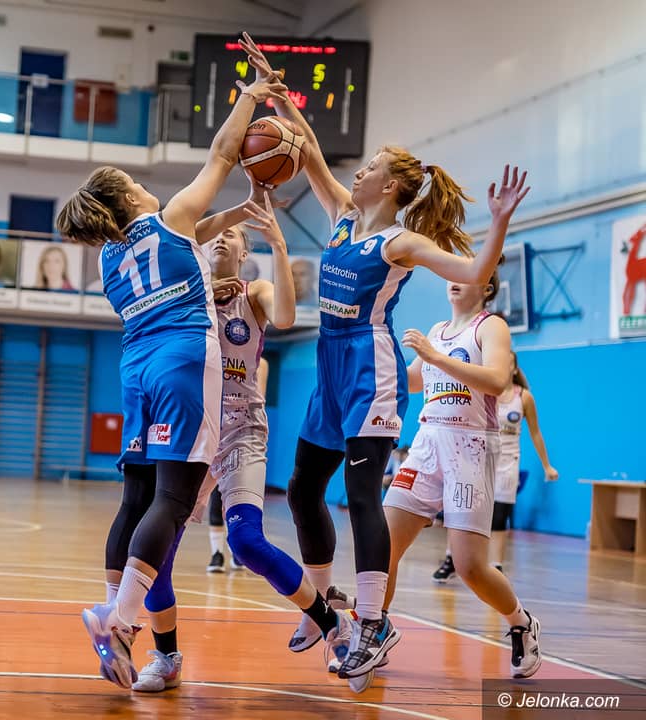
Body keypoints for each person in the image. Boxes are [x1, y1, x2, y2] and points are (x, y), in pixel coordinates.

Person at [237, 33, 530, 686]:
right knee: (303, 487)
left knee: (361, 495)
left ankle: (373, 621)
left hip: (371, 372)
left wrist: (500, 223)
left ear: (391, 185)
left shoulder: (401, 241)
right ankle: (322, 605)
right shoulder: (344, 217)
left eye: (369, 167)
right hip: (329, 368)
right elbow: (309, 150)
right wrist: (276, 91)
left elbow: (473, 270)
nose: (358, 172)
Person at [55, 55, 289, 690]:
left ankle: (114, 614)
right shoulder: (168, 218)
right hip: (183, 359)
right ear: (129, 197)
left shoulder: (109, 257)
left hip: (135, 368)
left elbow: (191, 235)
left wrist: (239, 214)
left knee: (135, 500)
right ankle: (120, 621)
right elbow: (222, 153)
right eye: (136, 181)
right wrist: (251, 97)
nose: (145, 184)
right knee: (176, 499)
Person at [132, 195, 352, 694]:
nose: (218, 239)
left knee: (247, 543)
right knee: (157, 552)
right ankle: (166, 656)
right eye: (212, 235)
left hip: (240, 428)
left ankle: (331, 622)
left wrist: (280, 244)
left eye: (229, 235)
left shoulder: (256, 292)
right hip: (192, 429)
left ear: (243, 251)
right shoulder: (183, 296)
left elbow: (289, 317)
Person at [383, 274, 542, 682]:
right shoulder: (437, 330)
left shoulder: (491, 326)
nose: (454, 281)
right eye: (451, 275)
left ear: (486, 288)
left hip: (471, 447)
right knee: (382, 544)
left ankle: (520, 621)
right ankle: (374, 626)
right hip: (427, 443)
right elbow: (413, 380)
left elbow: (497, 380)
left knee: (470, 566)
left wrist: (434, 357)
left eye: (465, 276)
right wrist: (380, 351)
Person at [432, 351, 558, 580]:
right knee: (461, 511)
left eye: (508, 363)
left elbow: (536, 433)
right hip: (477, 458)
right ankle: (451, 559)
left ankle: (496, 565)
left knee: (499, 517)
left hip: (508, 462)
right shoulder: (482, 389)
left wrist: (547, 465)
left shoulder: (524, 397)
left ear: (515, 369)